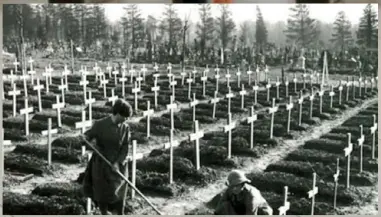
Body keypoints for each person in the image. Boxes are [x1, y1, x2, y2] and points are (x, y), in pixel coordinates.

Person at [82, 99, 133, 215]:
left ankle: (120, 213)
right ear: (118, 114)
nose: (126, 120)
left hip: (118, 165)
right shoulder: (100, 124)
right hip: (101, 164)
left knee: (120, 192)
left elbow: (125, 147)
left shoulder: (125, 128)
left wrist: (118, 162)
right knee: (102, 193)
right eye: (125, 117)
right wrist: (85, 137)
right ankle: (103, 213)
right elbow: (88, 136)